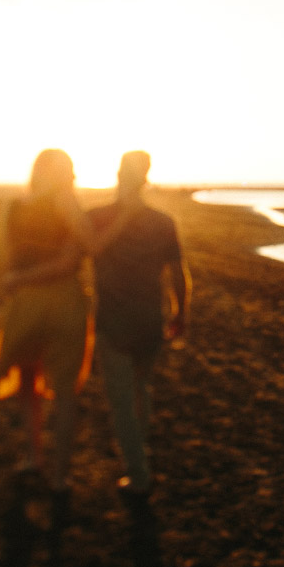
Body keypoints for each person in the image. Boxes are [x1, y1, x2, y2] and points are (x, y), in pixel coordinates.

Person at [0, 148, 137, 494]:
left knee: (26, 380)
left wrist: (17, 282)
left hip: (24, 302)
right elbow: (89, 250)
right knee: (65, 392)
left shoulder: (14, 206)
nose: (74, 178)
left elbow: (10, 262)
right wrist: (125, 219)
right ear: (54, 173)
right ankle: (59, 477)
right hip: (63, 301)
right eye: (68, 171)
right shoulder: (64, 202)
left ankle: (32, 457)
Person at [88, 150, 190, 497]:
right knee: (139, 388)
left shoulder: (98, 217)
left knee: (121, 399)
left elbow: (79, 251)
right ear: (145, 179)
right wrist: (181, 312)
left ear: (118, 176)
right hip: (149, 319)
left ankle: (138, 472)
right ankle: (138, 458)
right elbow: (178, 273)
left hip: (115, 321)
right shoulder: (162, 222)